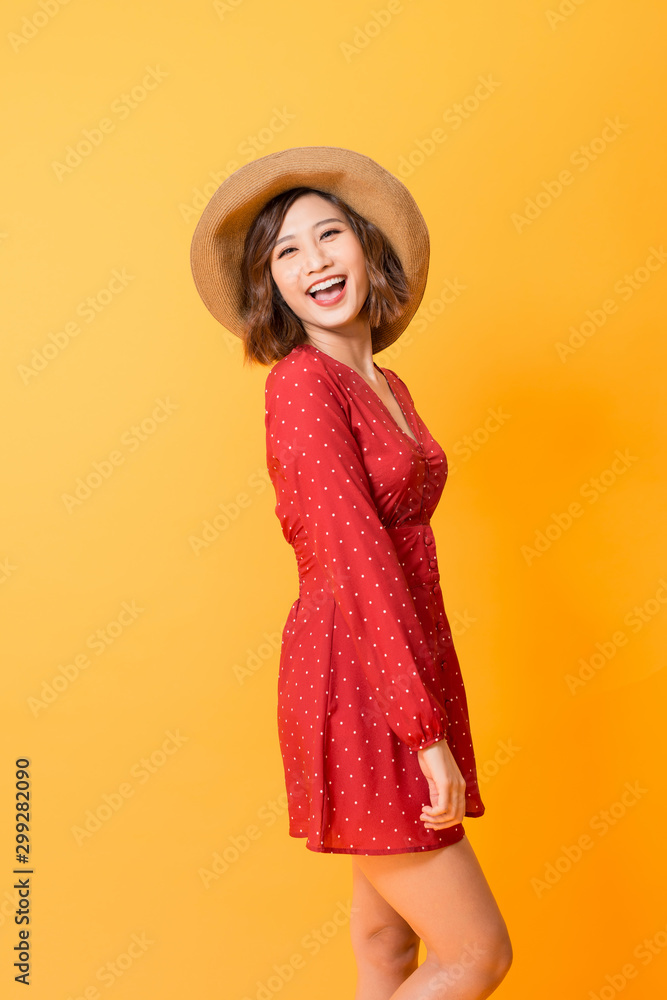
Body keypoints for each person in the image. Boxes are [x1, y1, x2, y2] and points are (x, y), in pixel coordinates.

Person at [191, 146, 513, 999]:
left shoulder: (385, 383)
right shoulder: (303, 384)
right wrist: (424, 732)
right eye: (286, 252)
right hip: (361, 679)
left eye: (328, 235)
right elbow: (354, 560)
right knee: (475, 954)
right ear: (271, 286)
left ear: (367, 247)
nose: (314, 262)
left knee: (386, 943)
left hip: (397, 665)